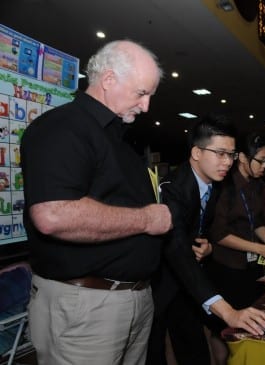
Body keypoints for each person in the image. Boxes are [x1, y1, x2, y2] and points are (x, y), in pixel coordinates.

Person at [20, 40, 173, 365]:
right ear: (108, 80)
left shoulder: (115, 140)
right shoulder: (63, 127)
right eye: (141, 93)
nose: (146, 107)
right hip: (87, 306)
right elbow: (54, 214)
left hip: (128, 300)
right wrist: (146, 219)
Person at [147, 117, 265, 365]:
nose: (228, 162)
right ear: (196, 152)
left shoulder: (214, 183)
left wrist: (208, 246)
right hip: (160, 284)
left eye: (232, 154)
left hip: (190, 284)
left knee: (195, 352)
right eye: (220, 154)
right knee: (154, 353)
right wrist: (227, 312)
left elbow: (205, 229)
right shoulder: (173, 188)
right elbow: (176, 247)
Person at [205, 132, 265, 364]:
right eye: (259, 160)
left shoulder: (259, 186)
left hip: (251, 267)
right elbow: (218, 234)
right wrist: (260, 249)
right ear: (241, 157)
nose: (264, 166)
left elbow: (258, 222)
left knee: (251, 321)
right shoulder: (224, 185)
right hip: (225, 267)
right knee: (224, 328)